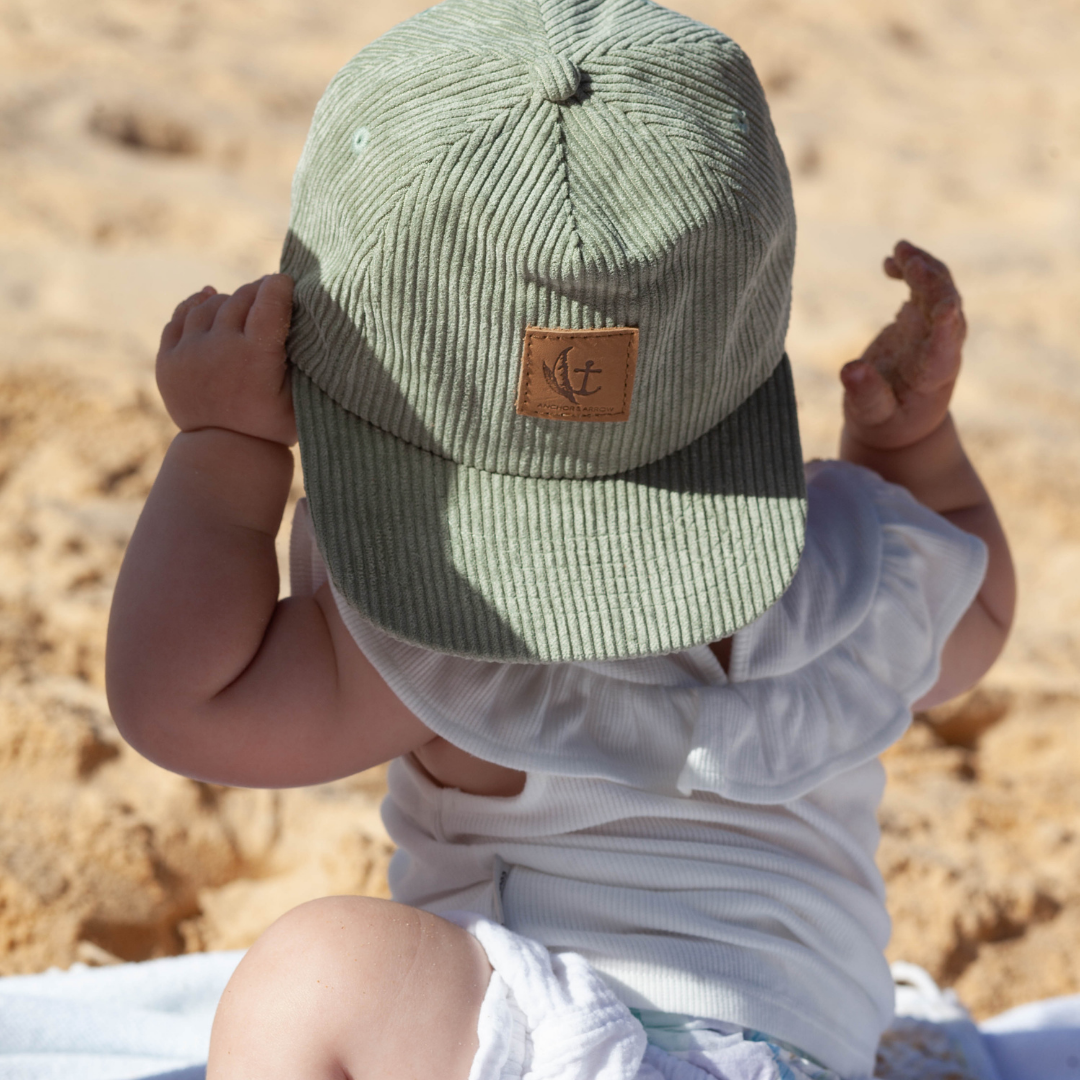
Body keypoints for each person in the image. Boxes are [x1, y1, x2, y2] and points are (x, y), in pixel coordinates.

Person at [105, 2, 1014, 1077]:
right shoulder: (866, 567)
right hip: (809, 1060)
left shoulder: (455, 614)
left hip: (588, 1054)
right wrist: (908, 449)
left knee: (318, 971)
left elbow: (184, 704)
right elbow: (981, 609)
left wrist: (226, 453)